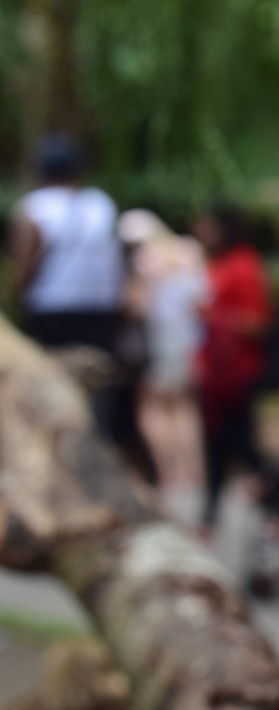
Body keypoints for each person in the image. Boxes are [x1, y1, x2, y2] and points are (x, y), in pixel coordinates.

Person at [8, 135, 126, 432]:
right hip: (101, 305)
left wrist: (15, 296)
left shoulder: (35, 207)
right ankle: (99, 437)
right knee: (98, 381)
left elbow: (24, 264)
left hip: (52, 307)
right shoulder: (101, 204)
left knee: (55, 379)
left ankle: (65, 441)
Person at [119, 209, 209, 525]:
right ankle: (194, 474)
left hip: (155, 344)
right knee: (185, 408)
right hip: (187, 344)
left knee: (153, 408)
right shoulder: (188, 251)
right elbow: (202, 301)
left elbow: (137, 307)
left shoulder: (142, 262)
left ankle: (169, 474)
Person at [192, 205, 272, 529]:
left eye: (207, 226)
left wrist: (214, 316)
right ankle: (214, 510)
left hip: (236, 372)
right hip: (215, 371)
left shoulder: (242, 265)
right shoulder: (217, 264)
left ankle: (268, 510)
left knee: (237, 441)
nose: (200, 232)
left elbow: (259, 323)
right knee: (218, 440)